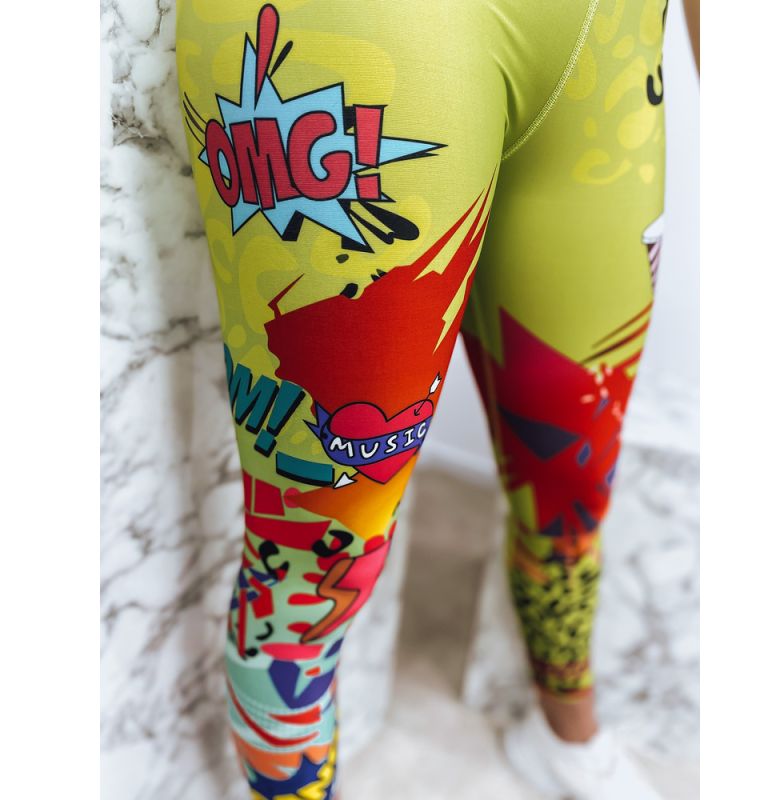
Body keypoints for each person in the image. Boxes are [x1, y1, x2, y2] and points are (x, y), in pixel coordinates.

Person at [175, 0, 698, 797]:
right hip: (364, 25)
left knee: (570, 478)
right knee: (316, 552)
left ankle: (565, 736)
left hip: (610, 37)